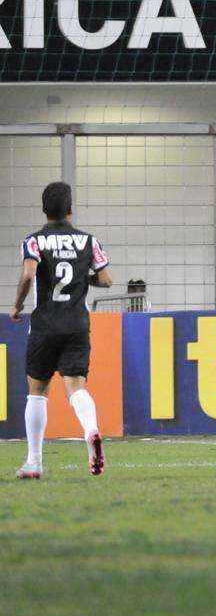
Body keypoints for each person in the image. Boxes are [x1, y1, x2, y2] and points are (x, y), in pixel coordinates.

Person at [10, 181, 113, 480]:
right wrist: (83, 279)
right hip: (77, 325)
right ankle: (91, 431)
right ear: (70, 209)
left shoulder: (33, 241)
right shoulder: (88, 241)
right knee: (76, 387)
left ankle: (34, 462)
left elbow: (29, 274)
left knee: (37, 391)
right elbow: (107, 280)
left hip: (44, 324)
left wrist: (16, 305)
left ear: (44, 210)